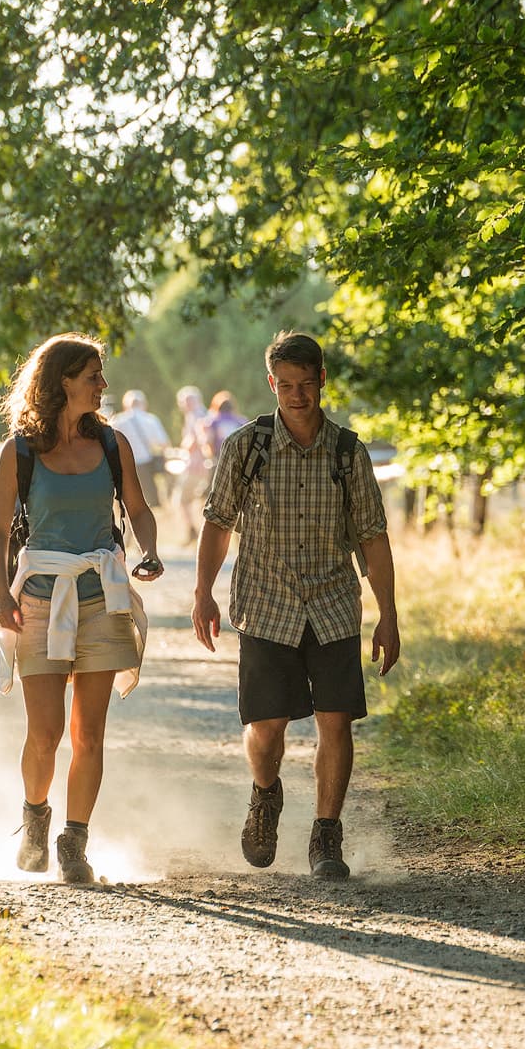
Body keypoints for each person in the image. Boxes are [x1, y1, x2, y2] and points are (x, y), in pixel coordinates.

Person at [192, 331, 399, 880]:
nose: (298, 396)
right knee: (267, 727)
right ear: (272, 384)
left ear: (322, 380)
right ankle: (265, 794)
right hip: (266, 604)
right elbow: (217, 523)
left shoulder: (348, 453)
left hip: (332, 604)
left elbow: (373, 536)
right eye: (286, 386)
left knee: (336, 720)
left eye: (306, 384)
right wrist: (203, 593)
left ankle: (327, 834)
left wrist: (389, 614)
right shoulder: (247, 447)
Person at [0, 333, 165, 883]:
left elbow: (138, 508)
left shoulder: (112, 444)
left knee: (89, 734)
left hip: (102, 599)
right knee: (45, 734)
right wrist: (1, 596)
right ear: (63, 381)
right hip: (40, 600)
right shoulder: (19, 451)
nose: (102, 385)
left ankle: (74, 842)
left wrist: (150, 550)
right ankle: (35, 818)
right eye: (93, 376)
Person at [109, 389, 172, 510]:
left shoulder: (117, 420)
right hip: (145, 463)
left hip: (124, 465)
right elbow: (164, 443)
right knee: (149, 501)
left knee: (128, 501)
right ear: (143, 403)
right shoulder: (150, 419)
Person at [173, 385, 212, 544]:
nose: (183, 405)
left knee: (181, 499)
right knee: (200, 499)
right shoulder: (206, 413)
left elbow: (194, 441)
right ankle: (199, 533)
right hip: (205, 465)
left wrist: (182, 448)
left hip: (195, 465)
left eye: (184, 402)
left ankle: (194, 532)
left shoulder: (195, 415)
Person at [205, 390, 247, 460]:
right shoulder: (241, 421)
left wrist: (211, 454)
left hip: (220, 456)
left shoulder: (213, 421)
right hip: (237, 456)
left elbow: (209, 440)